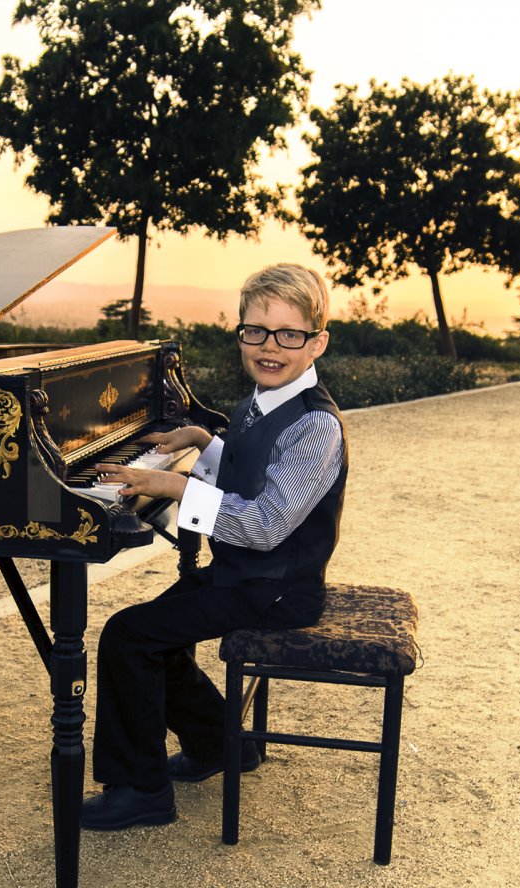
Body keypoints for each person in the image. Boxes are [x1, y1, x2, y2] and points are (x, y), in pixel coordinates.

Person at [80, 263, 349, 831]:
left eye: (288, 334)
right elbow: (254, 472)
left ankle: (140, 790)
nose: (269, 346)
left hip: (278, 590)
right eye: (255, 331)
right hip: (249, 580)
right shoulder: (265, 401)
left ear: (317, 341)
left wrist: (178, 486)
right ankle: (224, 745)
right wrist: (205, 441)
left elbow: (267, 524)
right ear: (241, 334)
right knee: (158, 630)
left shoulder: (317, 426)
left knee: (129, 636)